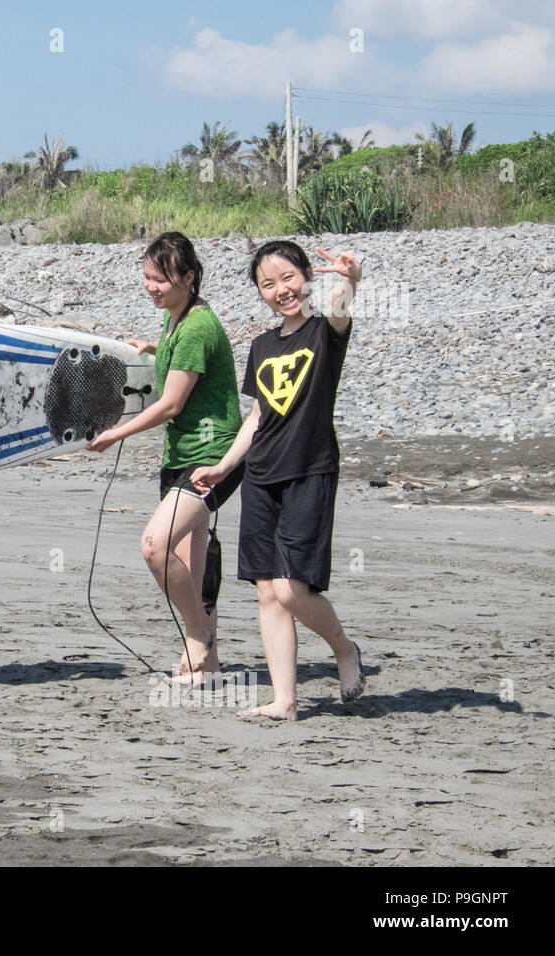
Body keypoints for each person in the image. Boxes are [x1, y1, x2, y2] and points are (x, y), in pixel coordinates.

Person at [191, 241, 365, 720]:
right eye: (268, 284)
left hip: (309, 470)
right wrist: (225, 466)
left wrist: (350, 280)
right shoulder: (262, 347)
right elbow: (258, 416)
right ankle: (284, 701)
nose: (280, 290)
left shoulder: (324, 333)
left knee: (291, 589)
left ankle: (344, 649)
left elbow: (339, 312)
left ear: (307, 275)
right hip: (261, 475)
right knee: (267, 590)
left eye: (287, 278)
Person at [87, 232, 243, 683]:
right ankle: (206, 666)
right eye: (147, 277)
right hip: (181, 456)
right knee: (190, 568)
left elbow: (171, 404)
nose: (151, 287)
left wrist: (115, 434)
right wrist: (155, 349)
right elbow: (186, 366)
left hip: (212, 457)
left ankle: (199, 639)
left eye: (162, 279)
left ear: (189, 277)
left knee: (154, 547)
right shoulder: (177, 319)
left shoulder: (195, 326)